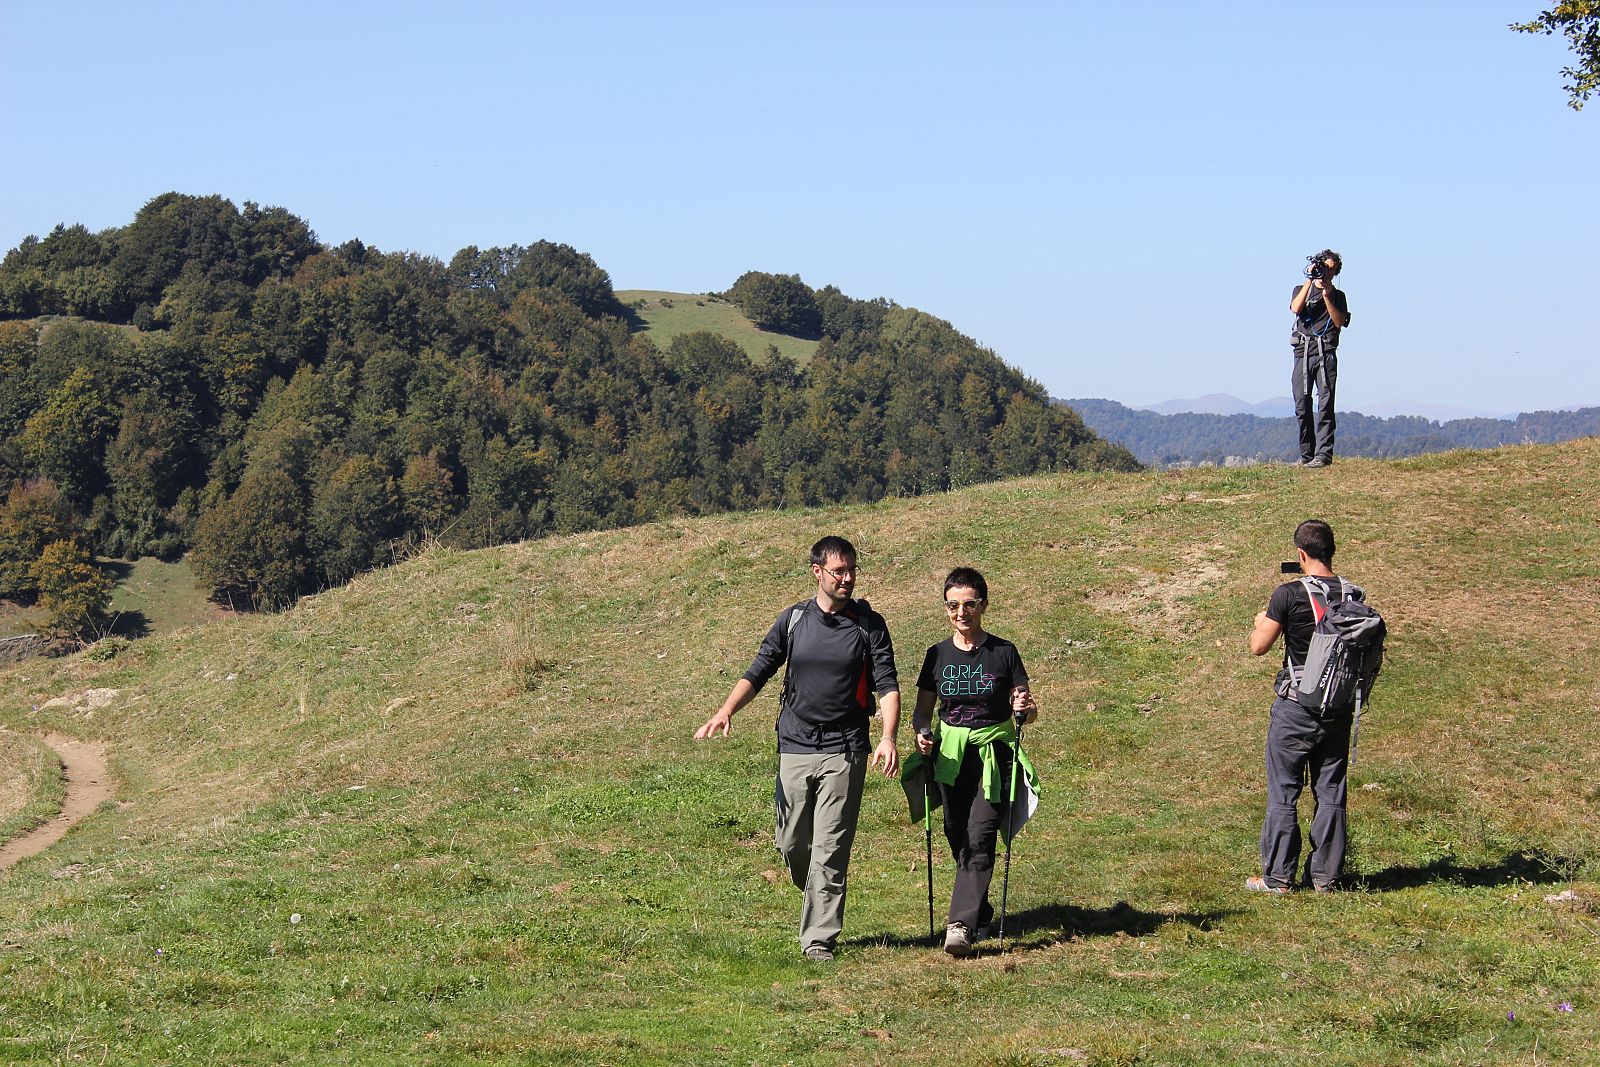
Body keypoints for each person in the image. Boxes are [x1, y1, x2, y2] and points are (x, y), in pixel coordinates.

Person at [694, 535, 901, 961]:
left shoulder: (869, 624)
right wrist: (726, 710)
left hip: (846, 749)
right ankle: (817, 893)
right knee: (791, 843)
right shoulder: (793, 620)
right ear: (817, 572)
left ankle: (818, 938)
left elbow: (887, 684)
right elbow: (761, 667)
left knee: (831, 847)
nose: (847, 579)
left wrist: (887, 736)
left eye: (851, 570)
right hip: (795, 744)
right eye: (838, 571)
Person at [910, 566, 1038, 957]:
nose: (961, 613)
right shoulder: (937, 655)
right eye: (953, 606)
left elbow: (1026, 711)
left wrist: (1025, 709)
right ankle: (980, 910)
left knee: (981, 834)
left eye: (969, 605)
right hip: (950, 755)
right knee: (956, 832)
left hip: (993, 756)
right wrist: (921, 733)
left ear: (984, 604)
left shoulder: (1004, 652)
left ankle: (960, 925)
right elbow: (922, 712)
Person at [1247, 519, 1358, 892]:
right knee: (1330, 792)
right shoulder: (1353, 595)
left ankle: (1278, 878)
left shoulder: (1288, 594)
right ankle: (1326, 878)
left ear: (1300, 554)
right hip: (1338, 710)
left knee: (1284, 791)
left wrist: (1261, 622)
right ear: (1332, 551)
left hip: (1295, 708)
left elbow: (1258, 646)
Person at [1289, 250, 1351, 468]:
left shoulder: (1338, 296)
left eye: (1330, 270)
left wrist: (1327, 295)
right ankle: (1306, 455)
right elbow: (1295, 309)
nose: (1325, 273)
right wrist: (1310, 281)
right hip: (1303, 354)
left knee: (1325, 405)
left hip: (1325, 354)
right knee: (1301, 405)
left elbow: (1338, 322)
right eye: (1323, 268)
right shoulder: (1301, 290)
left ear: (1335, 273)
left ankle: (1323, 455)